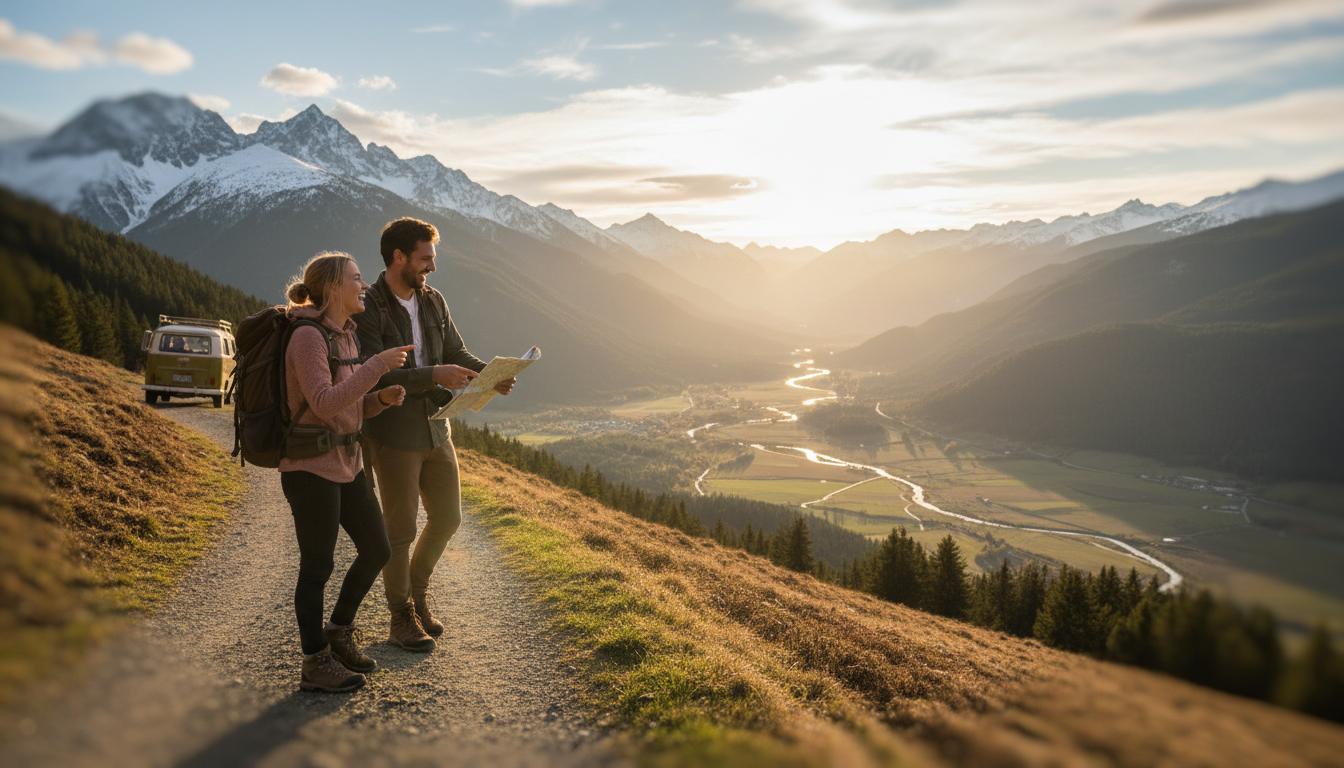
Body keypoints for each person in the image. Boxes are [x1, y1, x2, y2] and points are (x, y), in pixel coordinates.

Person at [355, 217, 515, 652]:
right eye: (426, 258)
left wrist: (491, 374)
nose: (432, 267)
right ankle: (400, 615)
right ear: (398, 257)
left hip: (437, 427)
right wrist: (435, 374)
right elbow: (373, 370)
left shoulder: (433, 300)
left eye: (433, 258)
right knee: (401, 528)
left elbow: (455, 351)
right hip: (393, 431)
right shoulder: (368, 305)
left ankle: (417, 593)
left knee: (448, 518)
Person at [280, 251, 414, 691]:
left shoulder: (349, 334)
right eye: (357, 279)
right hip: (309, 466)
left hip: (348, 461)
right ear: (334, 287)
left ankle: (338, 631)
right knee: (317, 565)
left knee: (377, 548)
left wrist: (378, 399)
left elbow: (348, 404)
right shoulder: (307, 337)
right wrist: (375, 368)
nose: (364, 287)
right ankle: (314, 662)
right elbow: (322, 402)